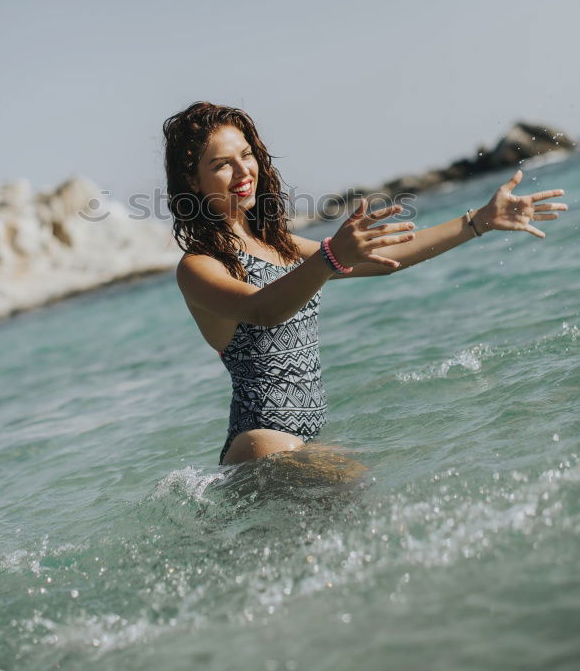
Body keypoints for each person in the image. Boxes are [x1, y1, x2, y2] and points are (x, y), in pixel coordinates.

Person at [163, 101, 567, 468]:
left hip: (303, 440)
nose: (242, 171)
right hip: (262, 443)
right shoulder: (199, 266)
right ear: (194, 181)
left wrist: (478, 221)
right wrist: (329, 256)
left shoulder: (279, 246)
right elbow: (263, 309)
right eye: (221, 164)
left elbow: (387, 261)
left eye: (246, 155)